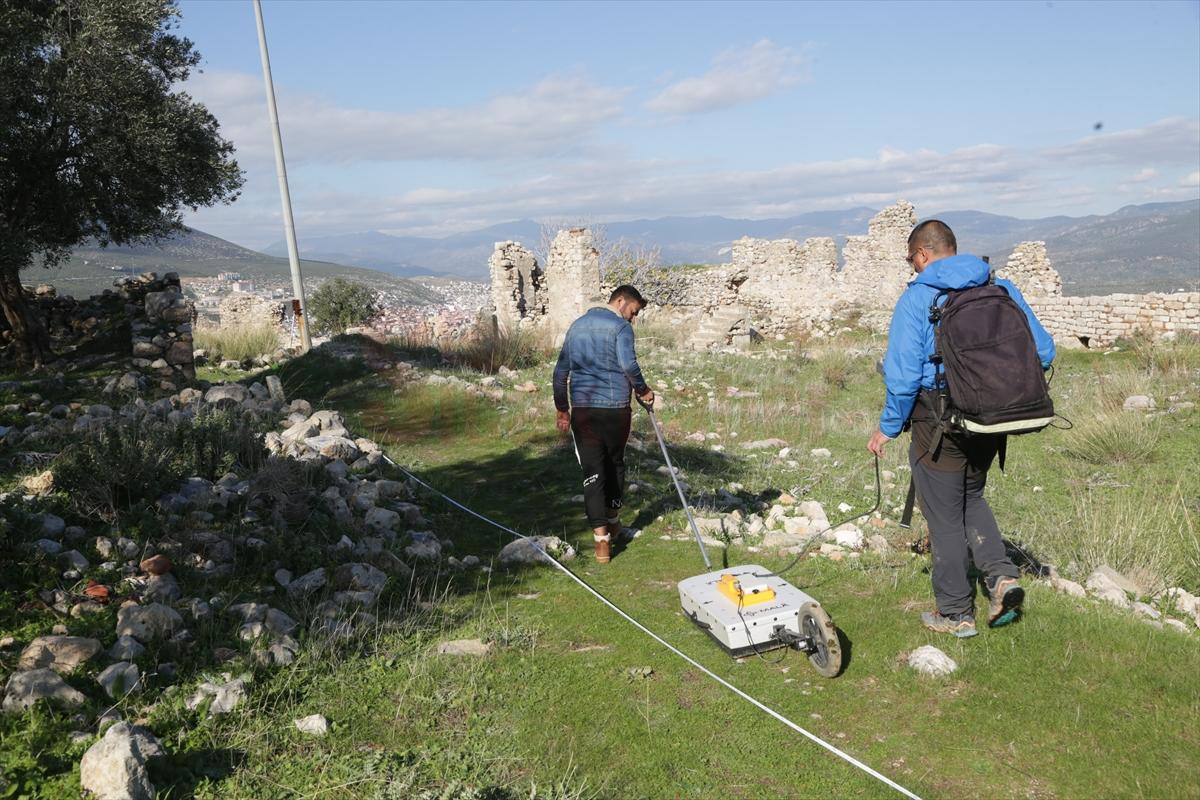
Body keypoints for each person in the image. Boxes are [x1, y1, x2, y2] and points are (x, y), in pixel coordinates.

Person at [867, 220, 1055, 638]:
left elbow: (902, 378)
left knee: (944, 516)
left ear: (921, 255)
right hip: (991, 420)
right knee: (972, 494)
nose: (911, 268)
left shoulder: (918, 299)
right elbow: (1043, 351)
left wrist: (887, 429)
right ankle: (1002, 577)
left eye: (910, 260)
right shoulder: (999, 287)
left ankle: (955, 613)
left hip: (938, 423)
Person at [553, 285, 655, 564]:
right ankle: (613, 521)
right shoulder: (620, 329)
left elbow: (560, 373)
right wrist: (643, 390)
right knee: (615, 464)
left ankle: (601, 543)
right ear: (620, 301)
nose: (632, 319)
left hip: (584, 412)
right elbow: (629, 366)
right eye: (632, 312)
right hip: (616, 411)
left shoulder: (576, 327)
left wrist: (563, 409)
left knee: (593, 472)